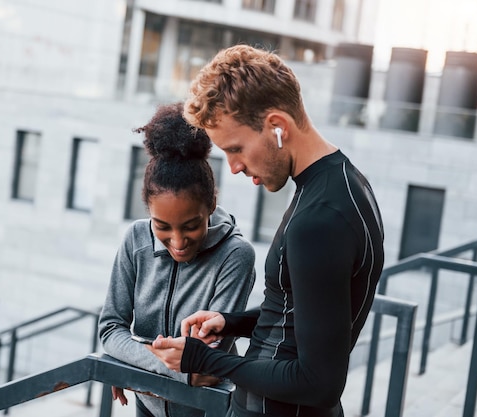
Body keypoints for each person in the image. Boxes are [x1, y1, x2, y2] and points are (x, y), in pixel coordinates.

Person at [148, 45, 385, 417]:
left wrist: (204, 360)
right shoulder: (346, 185)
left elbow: (319, 383)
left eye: (236, 148)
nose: (234, 167)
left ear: (277, 126)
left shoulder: (319, 219)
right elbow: (306, 314)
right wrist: (231, 322)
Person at [98, 101, 257, 417]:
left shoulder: (235, 256)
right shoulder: (136, 240)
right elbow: (109, 330)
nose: (178, 242)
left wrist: (130, 358)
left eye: (191, 225)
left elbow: (207, 361)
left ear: (211, 204)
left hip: (208, 409)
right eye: (162, 227)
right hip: (147, 404)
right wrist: (142, 364)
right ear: (148, 212)